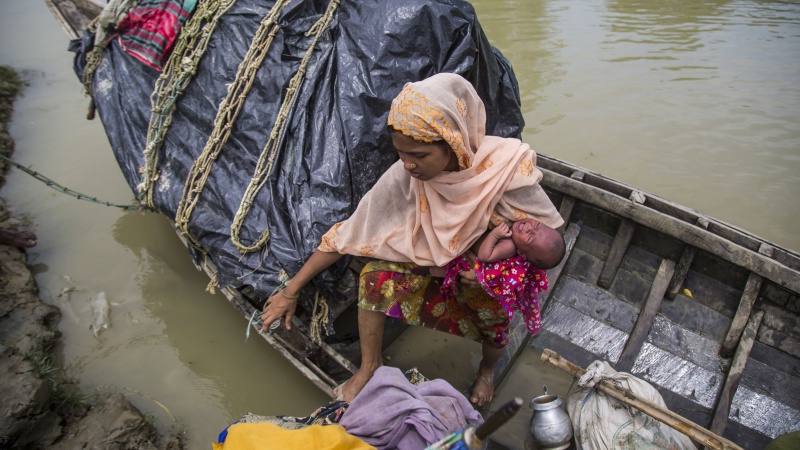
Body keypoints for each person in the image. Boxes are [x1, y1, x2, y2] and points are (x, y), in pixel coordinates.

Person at [261, 73, 563, 406]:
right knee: (373, 279)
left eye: (418, 154)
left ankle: (487, 371)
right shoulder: (407, 175)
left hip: (486, 282)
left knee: (496, 327)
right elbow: (349, 232)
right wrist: (291, 290)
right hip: (435, 270)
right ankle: (370, 366)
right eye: (401, 153)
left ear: (453, 142)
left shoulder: (506, 171)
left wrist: (486, 276)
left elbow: (543, 247)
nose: (407, 164)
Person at [441, 219, 565, 340]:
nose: (529, 228)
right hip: (466, 256)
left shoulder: (509, 245)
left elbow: (484, 256)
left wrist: (495, 235)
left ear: (522, 253)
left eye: (530, 238)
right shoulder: (520, 230)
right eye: (537, 224)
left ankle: (444, 271)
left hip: (477, 287)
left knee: (493, 334)